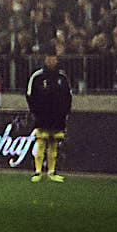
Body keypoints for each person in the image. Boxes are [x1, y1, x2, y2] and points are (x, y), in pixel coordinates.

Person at [25, 52, 75, 184]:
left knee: (54, 144)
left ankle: (51, 172)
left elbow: (68, 96)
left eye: (53, 59)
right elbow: (29, 95)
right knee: (41, 142)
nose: (51, 61)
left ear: (56, 60)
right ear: (45, 60)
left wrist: (64, 112)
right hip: (42, 117)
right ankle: (37, 172)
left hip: (57, 117)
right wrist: (35, 112)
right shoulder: (37, 76)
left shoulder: (62, 77)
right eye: (49, 59)